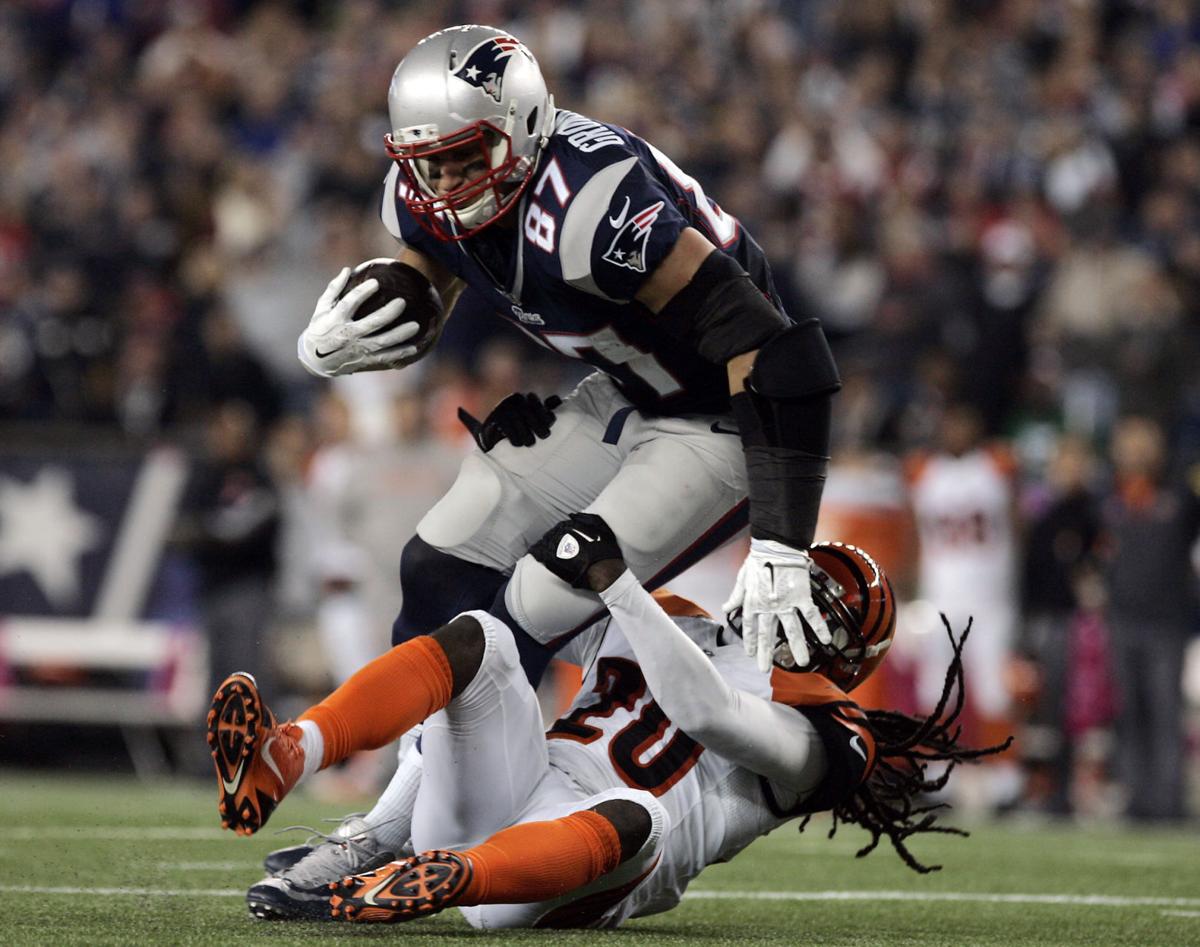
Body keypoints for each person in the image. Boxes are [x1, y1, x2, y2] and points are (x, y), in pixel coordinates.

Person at [293, 24, 843, 876]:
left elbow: (777, 353)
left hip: (722, 422)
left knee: (539, 599)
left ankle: (409, 831)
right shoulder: (429, 194)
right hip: (625, 396)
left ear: (521, 127)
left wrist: (781, 538)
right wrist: (387, 307)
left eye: (464, 158)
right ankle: (404, 809)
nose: (443, 185)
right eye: (426, 163)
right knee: (443, 564)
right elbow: (432, 262)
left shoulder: (590, 206)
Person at [208, 516, 1005, 926]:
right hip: (503, 794)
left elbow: (707, 710)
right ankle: (298, 758)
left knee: (642, 814)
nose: (799, 602)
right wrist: (534, 480)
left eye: (826, 605)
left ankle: (426, 876)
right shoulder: (678, 615)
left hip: (564, 874)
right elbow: (513, 606)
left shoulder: (832, 729)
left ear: (848, 650)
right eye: (802, 581)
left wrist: (617, 583)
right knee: (486, 641)